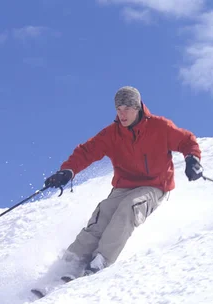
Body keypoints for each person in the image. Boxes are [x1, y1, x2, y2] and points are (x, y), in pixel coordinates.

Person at [44, 86, 203, 276]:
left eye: (127, 108)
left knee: (129, 208)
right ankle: (69, 263)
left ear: (138, 108)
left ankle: (100, 260)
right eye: (118, 109)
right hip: (123, 186)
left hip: (154, 185)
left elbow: (187, 141)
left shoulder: (160, 127)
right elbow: (86, 152)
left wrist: (192, 159)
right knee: (102, 215)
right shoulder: (112, 134)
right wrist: (67, 171)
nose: (122, 114)